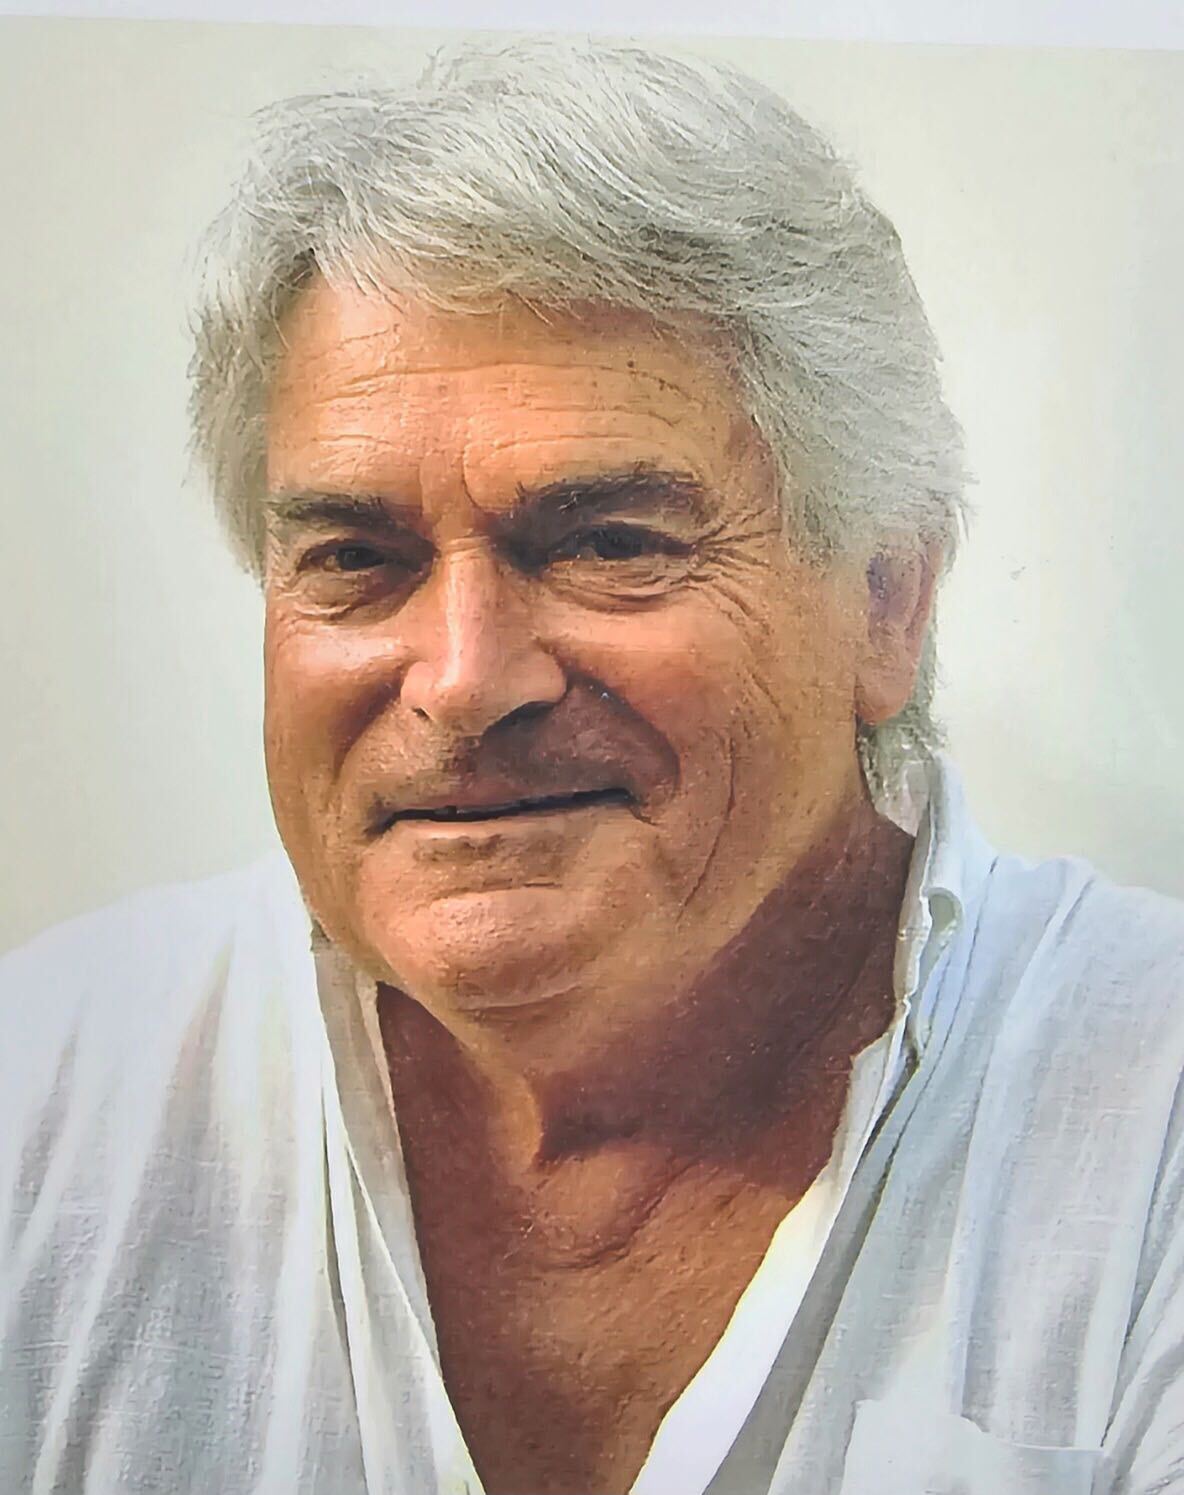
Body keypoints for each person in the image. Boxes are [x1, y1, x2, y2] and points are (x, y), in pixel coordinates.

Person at [2, 36, 1182, 1495]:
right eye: (355, 558)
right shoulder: (51, 1097)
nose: (463, 678)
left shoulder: (1148, 1131)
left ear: (888, 602)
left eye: (610, 543)